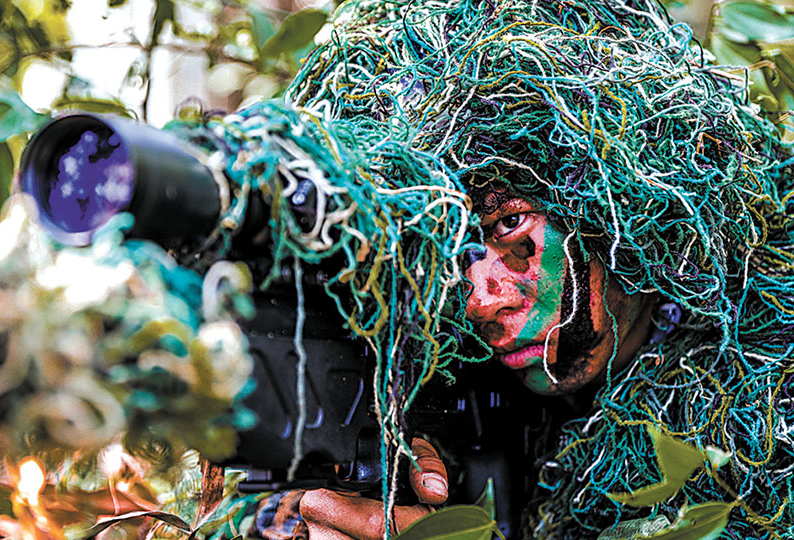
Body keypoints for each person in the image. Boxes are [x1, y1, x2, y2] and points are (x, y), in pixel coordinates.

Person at [250, 0, 794, 538]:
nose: (479, 302)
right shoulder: (435, 359)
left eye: (510, 223)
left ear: (622, 204)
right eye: (443, 248)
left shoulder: (769, 377)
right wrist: (303, 510)